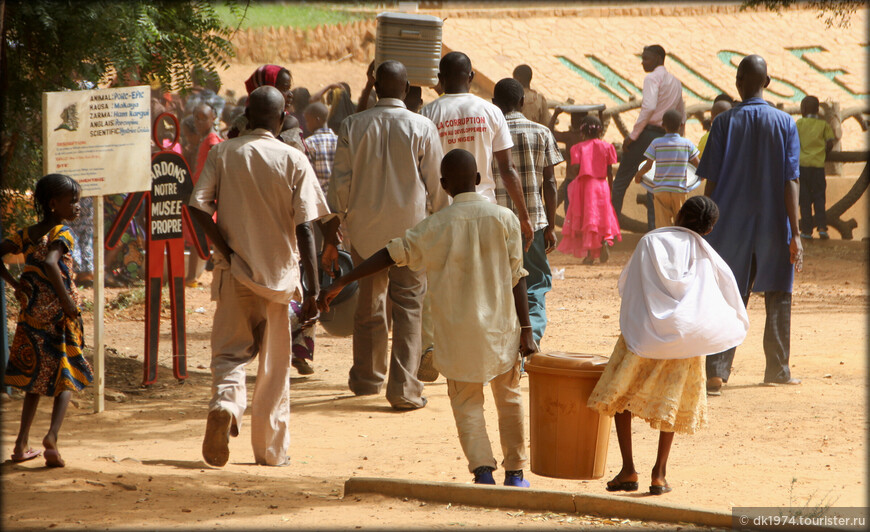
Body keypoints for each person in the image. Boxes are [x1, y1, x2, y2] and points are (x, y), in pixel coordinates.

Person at [318, 149, 538, 486]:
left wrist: (344, 280)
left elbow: (388, 255)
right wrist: (526, 330)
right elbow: (518, 277)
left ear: (444, 185)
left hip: (456, 335)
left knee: (467, 404)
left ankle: (482, 471)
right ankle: (516, 473)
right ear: (479, 180)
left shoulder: (433, 226)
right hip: (501, 331)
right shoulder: (505, 219)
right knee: (509, 399)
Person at [189, 85, 330, 467]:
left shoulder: (223, 153)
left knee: (229, 355)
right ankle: (270, 451)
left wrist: (225, 249)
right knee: (274, 367)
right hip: (280, 280)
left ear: (246, 117)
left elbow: (198, 206)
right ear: (282, 119)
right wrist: (314, 289)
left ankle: (225, 406)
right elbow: (305, 227)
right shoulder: (293, 158)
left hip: (234, 273)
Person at [588, 196, 749, 495]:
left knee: (621, 395)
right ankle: (659, 474)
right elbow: (716, 295)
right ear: (710, 229)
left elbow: (629, 285)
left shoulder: (651, 241)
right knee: (669, 401)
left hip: (643, 334)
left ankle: (628, 469)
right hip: (684, 340)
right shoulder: (705, 253)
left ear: (678, 216)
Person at [323, 60, 447, 411]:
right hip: (412, 233)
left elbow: (340, 183)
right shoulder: (422, 126)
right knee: (409, 307)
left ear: (375, 87)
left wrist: (334, 229)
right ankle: (404, 390)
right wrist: (441, 218)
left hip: (364, 233)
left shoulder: (352, 125)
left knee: (369, 303)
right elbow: (436, 183)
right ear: (406, 89)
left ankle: (366, 378)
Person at [420, 51, 534, 376]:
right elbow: (507, 170)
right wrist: (524, 217)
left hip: (442, 213)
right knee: (496, 283)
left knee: (441, 283)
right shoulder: (490, 111)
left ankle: (433, 347)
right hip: (485, 212)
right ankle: (505, 352)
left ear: (439, 80)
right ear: (470, 77)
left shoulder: (428, 113)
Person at [697, 54, 803, 394]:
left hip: (728, 223)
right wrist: (797, 233)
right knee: (777, 293)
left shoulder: (723, 123)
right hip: (774, 223)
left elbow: (710, 180)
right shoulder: (786, 123)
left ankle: (716, 371)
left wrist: (704, 223)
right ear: (768, 83)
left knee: (728, 294)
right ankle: (777, 369)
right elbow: (791, 180)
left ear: (738, 82)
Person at [1, 174, 93, 468]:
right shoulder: (61, 232)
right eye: (73, 201)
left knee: (35, 377)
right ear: (54, 204)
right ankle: (52, 437)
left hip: (31, 317)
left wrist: (15, 284)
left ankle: (20, 444)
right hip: (59, 317)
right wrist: (67, 302)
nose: (77, 206)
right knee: (66, 373)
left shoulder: (26, 234)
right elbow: (53, 263)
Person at [491, 78, 563, 347]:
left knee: (502, 286)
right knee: (534, 286)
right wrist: (551, 226)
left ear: (495, 104)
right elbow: (551, 183)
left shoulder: (490, 133)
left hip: (496, 225)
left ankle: (506, 345)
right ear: (522, 101)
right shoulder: (542, 132)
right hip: (532, 223)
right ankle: (530, 340)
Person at [611, 45, 685, 229]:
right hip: (665, 136)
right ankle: (655, 229)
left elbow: (649, 107)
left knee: (621, 181)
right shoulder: (676, 82)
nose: (643, 62)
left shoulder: (652, 78)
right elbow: (682, 115)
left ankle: (609, 231)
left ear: (659, 59)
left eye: (646, 58)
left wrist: (633, 135)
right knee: (654, 186)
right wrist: (678, 141)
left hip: (647, 135)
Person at [557, 115, 621, 264]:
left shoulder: (577, 148)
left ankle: (590, 255)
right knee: (602, 216)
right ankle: (604, 240)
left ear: (582, 131)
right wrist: (609, 188)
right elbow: (610, 170)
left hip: (585, 185)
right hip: (602, 185)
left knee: (588, 219)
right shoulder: (607, 147)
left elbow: (576, 167)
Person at [633, 109, 701, 229]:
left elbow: (648, 166)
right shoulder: (687, 144)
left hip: (661, 191)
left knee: (662, 226)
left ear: (663, 125)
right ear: (682, 125)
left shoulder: (656, 143)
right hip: (679, 191)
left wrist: (638, 175)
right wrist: (701, 178)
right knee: (681, 225)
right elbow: (699, 166)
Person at [796, 95, 835, 239]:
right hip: (818, 167)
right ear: (818, 110)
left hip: (803, 167)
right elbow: (830, 143)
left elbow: (794, 142)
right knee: (819, 197)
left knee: (804, 199)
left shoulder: (799, 124)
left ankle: (806, 231)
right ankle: (822, 227)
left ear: (803, 109)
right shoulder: (823, 125)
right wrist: (823, 153)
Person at [303, 102, 338, 194]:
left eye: (307, 120)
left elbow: (308, 173)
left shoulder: (309, 143)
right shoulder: (340, 140)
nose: (306, 124)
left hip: (319, 196)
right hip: (339, 197)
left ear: (317, 120)